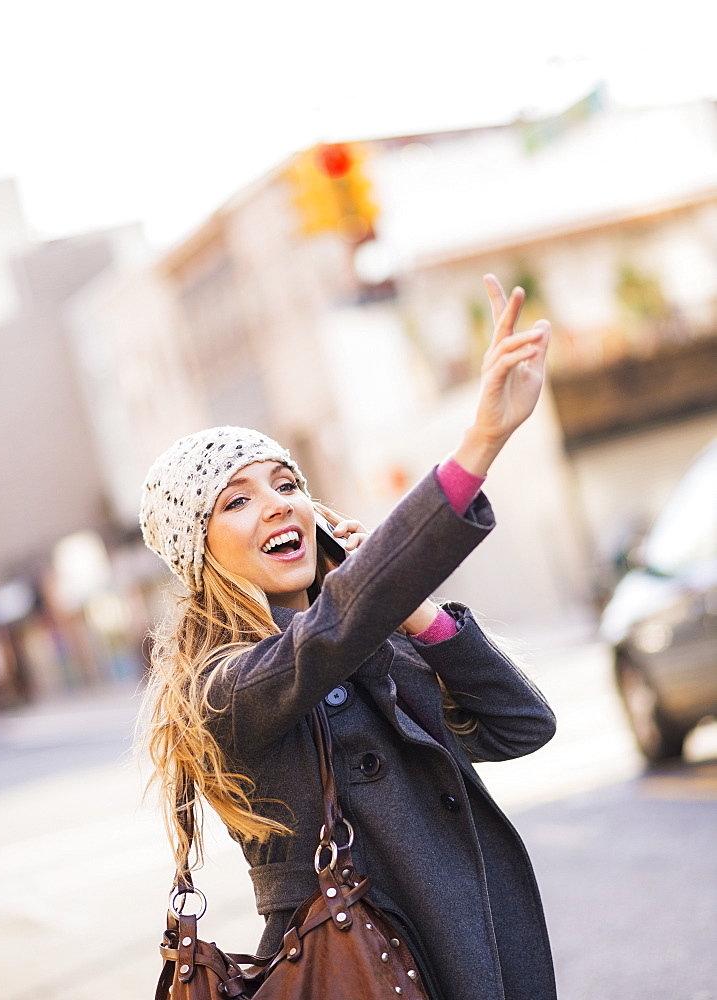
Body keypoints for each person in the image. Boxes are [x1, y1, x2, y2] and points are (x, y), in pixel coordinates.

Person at [140, 275, 558, 1000]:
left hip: (469, 956)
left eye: (285, 484)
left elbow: (520, 725)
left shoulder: (366, 642)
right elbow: (322, 639)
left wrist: (413, 610)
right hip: (363, 971)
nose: (278, 507)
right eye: (238, 500)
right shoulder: (223, 686)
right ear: (197, 552)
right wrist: (479, 443)